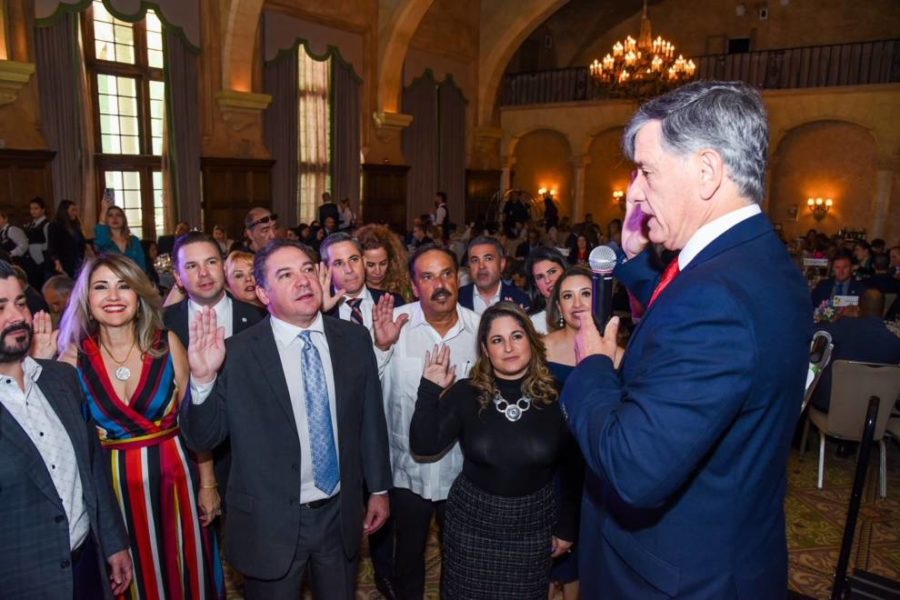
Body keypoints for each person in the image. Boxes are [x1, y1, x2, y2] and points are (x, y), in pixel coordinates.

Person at [561, 81, 812, 598]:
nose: (633, 192)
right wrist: (635, 260)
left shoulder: (717, 300)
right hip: (724, 548)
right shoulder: (757, 261)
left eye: (647, 171)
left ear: (706, 171)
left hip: (675, 579)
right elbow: (685, 317)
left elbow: (632, 467)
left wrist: (592, 368)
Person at [181, 238, 392, 599]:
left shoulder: (354, 340)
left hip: (339, 514)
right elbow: (203, 438)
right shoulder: (236, 354)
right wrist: (202, 380)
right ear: (263, 293)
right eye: (286, 275)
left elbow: (370, 420)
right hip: (269, 523)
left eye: (308, 269)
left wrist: (379, 488)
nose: (303, 280)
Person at [56, 254, 225, 599]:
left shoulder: (167, 344)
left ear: (138, 295)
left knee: (187, 571)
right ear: (87, 300)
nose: (113, 296)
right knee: (131, 580)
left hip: (177, 483)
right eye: (101, 287)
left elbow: (194, 424)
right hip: (113, 494)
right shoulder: (72, 359)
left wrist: (208, 484)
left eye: (124, 286)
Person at [409, 303, 578, 599]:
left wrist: (567, 527)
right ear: (486, 350)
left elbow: (575, 470)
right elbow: (423, 445)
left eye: (517, 336)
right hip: (471, 526)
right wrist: (429, 390)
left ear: (531, 340)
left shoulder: (560, 394)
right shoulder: (466, 393)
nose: (508, 347)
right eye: (497, 340)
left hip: (533, 526)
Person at [0, 260, 132, 599]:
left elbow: (93, 468)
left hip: (87, 565)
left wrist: (114, 543)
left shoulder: (61, 378)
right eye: (0, 307)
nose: (16, 316)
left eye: (20, 303)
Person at [372, 245, 481, 600]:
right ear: (414, 284)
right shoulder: (393, 325)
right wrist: (381, 347)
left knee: (461, 559)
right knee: (407, 557)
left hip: (462, 472)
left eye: (447, 274)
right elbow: (364, 390)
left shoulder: (481, 329)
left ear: (458, 278)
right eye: (428, 277)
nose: (440, 285)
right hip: (405, 471)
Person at [810, 289, 900, 412]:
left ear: (858, 309)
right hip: (871, 412)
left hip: (831, 406)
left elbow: (815, 331)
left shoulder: (845, 326)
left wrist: (839, 318)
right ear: (884, 311)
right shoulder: (895, 343)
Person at [320, 232, 404, 333]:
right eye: (338, 263)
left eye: (354, 259)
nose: (349, 269)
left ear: (364, 261)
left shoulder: (394, 302)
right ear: (326, 269)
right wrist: (318, 313)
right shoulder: (318, 311)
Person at [458, 235, 530, 315]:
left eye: (488, 259)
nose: (481, 266)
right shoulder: (457, 298)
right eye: (475, 260)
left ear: (502, 264)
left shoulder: (520, 299)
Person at [356, 223, 413, 302]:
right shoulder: (351, 293)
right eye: (370, 265)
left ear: (391, 261)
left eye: (383, 263)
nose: (377, 271)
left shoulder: (403, 287)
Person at [93, 197, 147, 271]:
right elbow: (101, 238)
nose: (115, 218)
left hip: (132, 276)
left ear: (123, 219)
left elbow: (141, 266)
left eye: (118, 215)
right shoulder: (105, 240)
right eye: (110, 215)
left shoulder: (134, 240)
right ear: (106, 219)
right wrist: (104, 210)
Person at [525, 247, 566, 334]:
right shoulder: (533, 322)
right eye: (540, 277)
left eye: (552, 272)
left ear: (565, 272)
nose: (547, 280)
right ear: (535, 285)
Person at [48, 200, 88, 278]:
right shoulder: (55, 226)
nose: (75, 213)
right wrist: (57, 262)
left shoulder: (75, 226)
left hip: (77, 262)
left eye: (76, 210)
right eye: (73, 210)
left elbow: (82, 242)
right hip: (63, 263)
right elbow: (52, 247)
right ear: (64, 211)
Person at [24, 197, 52, 288]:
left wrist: (37, 248)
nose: (33, 211)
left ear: (43, 210)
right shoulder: (31, 224)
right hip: (32, 261)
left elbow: (49, 243)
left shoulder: (47, 224)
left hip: (43, 261)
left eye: (36, 208)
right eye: (31, 209)